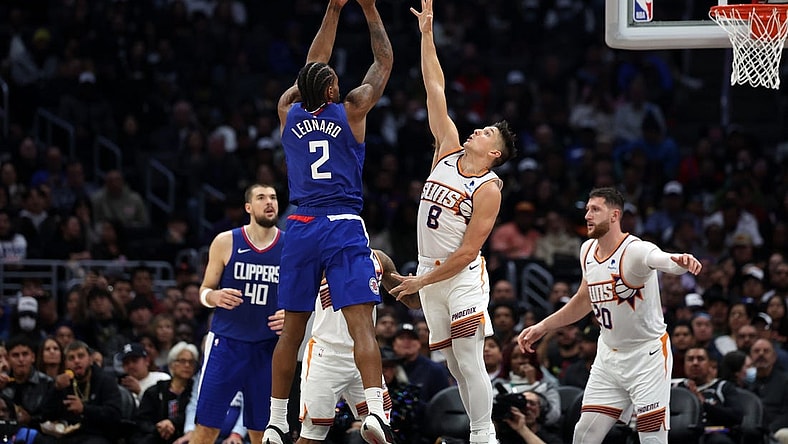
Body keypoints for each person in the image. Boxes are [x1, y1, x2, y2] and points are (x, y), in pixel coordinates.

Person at [263, 0, 394, 443]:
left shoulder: (287, 111)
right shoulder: (352, 109)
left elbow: (310, 67)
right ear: (334, 92)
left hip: (298, 224)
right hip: (340, 222)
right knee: (361, 322)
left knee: (292, 328)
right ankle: (376, 411)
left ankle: (277, 421)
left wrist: (333, 10)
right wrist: (369, 9)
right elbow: (383, 61)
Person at [388, 2, 516, 444]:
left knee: (469, 355)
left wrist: (418, 284)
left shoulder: (489, 188)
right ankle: (481, 429)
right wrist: (426, 34)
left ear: (494, 153)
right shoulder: (446, 148)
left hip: (460, 275)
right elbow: (434, 87)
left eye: (486, 135)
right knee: (456, 367)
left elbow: (467, 252)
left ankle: (485, 435)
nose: (477, 132)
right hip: (428, 269)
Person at [518, 187, 702, 444]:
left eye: (595, 210)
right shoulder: (586, 251)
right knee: (584, 434)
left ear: (615, 215)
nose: (587, 216)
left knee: (651, 438)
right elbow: (583, 300)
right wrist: (543, 327)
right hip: (608, 356)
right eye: (586, 210)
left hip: (646, 355)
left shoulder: (635, 250)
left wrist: (677, 260)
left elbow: (660, 258)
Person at [193, 183, 284, 444]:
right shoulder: (225, 241)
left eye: (274, 197)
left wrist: (292, 315)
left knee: (263, 432)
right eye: (261, 197)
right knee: (206, 427)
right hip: (227, 345)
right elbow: (204, 290)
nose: (270, 202)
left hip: (269, 348)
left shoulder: (290, 246)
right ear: (248, 207)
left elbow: (308, 292)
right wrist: (214, 296)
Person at [298, 249, 410, 444]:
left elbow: (412, 301)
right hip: (326, 355)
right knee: (311, 438)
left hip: (364, 357)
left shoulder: (379, 259)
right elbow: (294, 293)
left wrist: (421, 283)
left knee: (382, 434)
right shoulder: (318, 257)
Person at [39, 340, 122, 444]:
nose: (76, 361)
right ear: (65, 363)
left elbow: (114, 415)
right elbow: (45, 416)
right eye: (71, 358)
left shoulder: (105, 381)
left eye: (81, 356)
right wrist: (56, 390)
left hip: (98, 435)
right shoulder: (62, 383)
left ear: (90, 359)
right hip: (67, 436)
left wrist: (84, 409)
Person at [134, 341, 198, 444]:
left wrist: (173, 423)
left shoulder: (196, 392)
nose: (187, 365)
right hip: (157, 436)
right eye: (182, 361)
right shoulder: (155, 391)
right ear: (172, 364)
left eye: (191, 362)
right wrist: (159, 428)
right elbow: (142, 421)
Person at [675, 346, 743, 444]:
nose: (695, 363)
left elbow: (736, 417)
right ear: (684, 364)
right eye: (690, 359)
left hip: (713, 435)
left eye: (700, 359)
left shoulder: (723, 387)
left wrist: (703, 404)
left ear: (710, 364)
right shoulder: (677, 388)